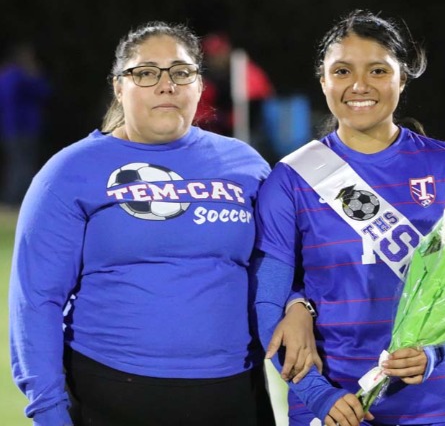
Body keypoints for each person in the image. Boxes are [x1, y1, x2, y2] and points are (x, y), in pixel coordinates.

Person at [8, 21, 281, 426]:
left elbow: (279, 270)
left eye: (181, 72)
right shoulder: (69, 172)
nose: (166, 85)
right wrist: (48, 411)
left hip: (235, 393)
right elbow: (36, 300)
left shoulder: (245, 166)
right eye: (147, 73)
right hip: (110, 394)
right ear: (119, 87)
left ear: (199, 85)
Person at [252, 9, 445, 426]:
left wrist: (436, 352)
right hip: (333, 405)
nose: (359, 85)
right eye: (342, 71)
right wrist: (318, 395)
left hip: (436, 404)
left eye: (377, 70)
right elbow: (268, 301)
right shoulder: (291, 179)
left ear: (401, 79)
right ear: (323, 81)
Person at [0, 42, 52, 205]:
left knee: (18, 164)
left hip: (12, 126)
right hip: (23, 126)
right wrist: (34, 74)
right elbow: (44, 91)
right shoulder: (21, 76)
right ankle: (17, 199)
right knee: (22, 165)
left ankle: (15, 199)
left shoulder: (6, 75)